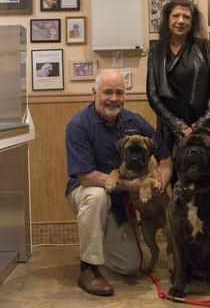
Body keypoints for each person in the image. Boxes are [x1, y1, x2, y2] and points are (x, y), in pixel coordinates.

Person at [65, 69, 172, 296]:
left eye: (119, 92)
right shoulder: (79, 124)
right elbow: (86, 177)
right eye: (107, 92)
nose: (114, 98)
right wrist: (132, 186)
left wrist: (160, 182)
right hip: (85, 193)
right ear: (94, 92)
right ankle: (89, 268)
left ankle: (102, 236)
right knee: (97, 195)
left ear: (125, 95)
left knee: (130, 266)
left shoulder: (135, 121)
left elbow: (164, 157)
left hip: (121, 203)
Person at [147, 0, 210, 185]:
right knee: (177, 185)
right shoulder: (156, 51)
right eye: (176, 16)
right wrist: (180, 126)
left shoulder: (204, 46)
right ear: (167, 20)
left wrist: (197, 126)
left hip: (204, 128)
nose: (181, 21)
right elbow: (153, 94)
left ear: (193, 22)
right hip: (171, 129)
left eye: (186, 17)